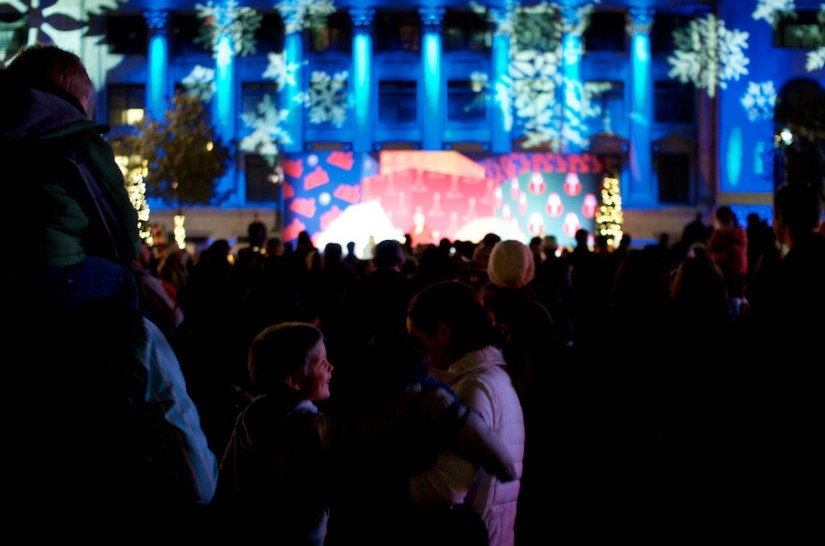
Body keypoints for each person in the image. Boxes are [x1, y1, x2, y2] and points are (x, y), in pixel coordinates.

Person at [1, 44, 218, 537]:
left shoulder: (12, 131)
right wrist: (129, 263)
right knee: (131, 305)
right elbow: (110, 213)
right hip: (65, 278)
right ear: (73, 95)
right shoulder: (63, 136)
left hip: (36, 278)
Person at [1, 44, 141, 310]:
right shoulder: (78, 137)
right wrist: (129, 251)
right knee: (124, 282)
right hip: (51, 266)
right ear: (77, 101)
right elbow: (117, 219)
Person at [407, 280, 525, 546]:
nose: (414, 352)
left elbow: (448, 484)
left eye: (417, 340)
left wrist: (391, 488)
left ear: (443, 334)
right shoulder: (490, 375)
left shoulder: (473, 386)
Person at [213, 322, 334, 542]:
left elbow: (226, 477)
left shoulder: (252, 413)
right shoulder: (314, 428)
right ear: (294, 381)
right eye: (322, 363)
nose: (330, 367)